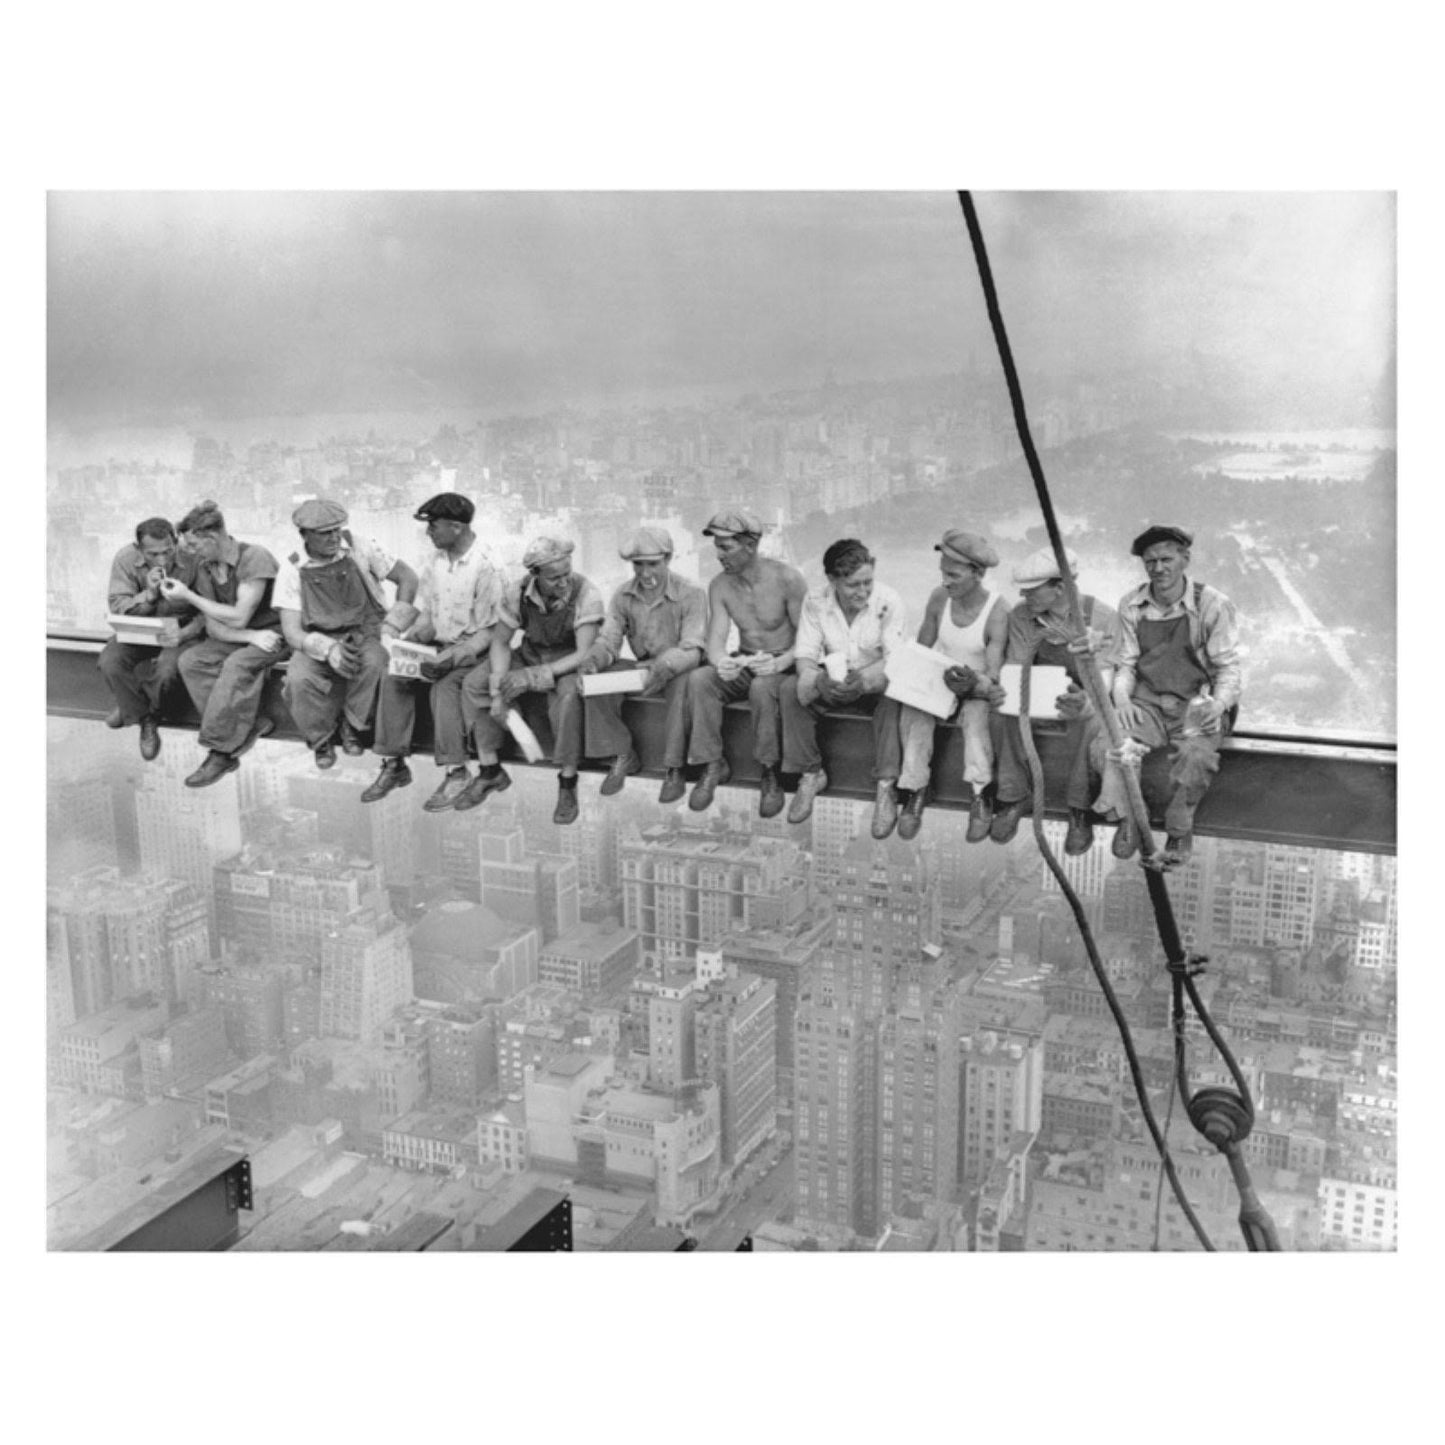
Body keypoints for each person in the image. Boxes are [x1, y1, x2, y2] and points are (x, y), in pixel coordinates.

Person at [1091, 524, 1242, 865]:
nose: (1159, 569)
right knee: (1110, 744)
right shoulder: (1132, 604)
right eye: (1150, 562)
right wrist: (1123, 700)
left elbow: (1228, 668)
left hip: (1197, 704)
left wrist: (1217, 705)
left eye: (1166, 559)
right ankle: (1132, 817)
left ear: (1184, 559)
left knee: (1196, 758)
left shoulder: (1212, 605)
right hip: (1149, 702)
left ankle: (1179, 826)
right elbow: (1126, 664)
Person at [362, 492, 510, 811]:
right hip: (439, 645)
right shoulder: (436, 561)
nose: (429, 533)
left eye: (434, 526)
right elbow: (427, 611)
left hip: (473, 652)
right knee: (395, 675)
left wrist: (454, 656)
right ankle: (394, 762)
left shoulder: (488, 566)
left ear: (456, 527)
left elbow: (492, 631)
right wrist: (408, 638)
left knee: (445, 687)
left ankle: (456, 770)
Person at [988, 547, 1119, 855]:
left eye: (1032, 590)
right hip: (1037, 690)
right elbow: (1017, 664)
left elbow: (1106, 677)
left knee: (1091, 721)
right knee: (1002, 712)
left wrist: (1086, 700)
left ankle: (1079, 809)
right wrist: (1006, 689)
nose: (1023, 595)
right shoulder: (1022, 615)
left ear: (1060, 588)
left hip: (1085, 693)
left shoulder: (1101, 617)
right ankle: (1013, 795)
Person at [467, 534, 604, 825]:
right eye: (555, 578)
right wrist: (498, 690)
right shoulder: (517, 592)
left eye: (567, 574)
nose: (564, 582)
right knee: (476, 683)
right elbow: (501, 643)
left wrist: (531, 678)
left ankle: (567, 780)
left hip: (567, 662)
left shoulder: (586, 593)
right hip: (531, 652)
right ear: (535, 575)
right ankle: (491, 767)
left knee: (568, 698)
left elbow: (583, 652)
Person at [275, 498, 419, 770]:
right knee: (298, 679)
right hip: (317, 637)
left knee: (375, 664)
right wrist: (328, 649)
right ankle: (320, 740)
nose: (333, 538)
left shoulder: (360, 546)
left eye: (336, 530)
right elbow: (292, 631)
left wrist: (392, 626)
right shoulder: (292, 567)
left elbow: (408, 578)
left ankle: (353, 727)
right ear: (304, 535)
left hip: (365, 631)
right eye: (324, 533)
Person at [781, 538, 908, 833]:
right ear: (832, 580)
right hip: (834, 678)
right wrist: (818, 681)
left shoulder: (889, 601)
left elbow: (895, 659)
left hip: (874, 680)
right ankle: (811, 773)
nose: (863, 592)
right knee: (790, 690)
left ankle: (886, 785)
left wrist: (864, 682)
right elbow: (805, 655)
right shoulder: (815, 601)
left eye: (868, 583)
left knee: (894, 697)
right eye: (853, 585)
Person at [687, 510, 807, 816]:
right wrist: (722, 662)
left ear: (750, 546)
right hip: (746, 659)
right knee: (701, 679)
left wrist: (781, 663)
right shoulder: (720, 586)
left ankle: (770, 772)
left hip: (784, 664)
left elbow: (809, 640)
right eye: (717, 547)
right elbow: (716, 640)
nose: (718, 555)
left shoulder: (788, 579)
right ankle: (713, 764)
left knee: (762, 688)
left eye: (726, 548)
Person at [160, 501, 288, 788]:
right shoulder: (206, 568)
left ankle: (221, 751)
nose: (191, 552)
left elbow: (239, 616)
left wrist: (189, 597)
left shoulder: (254, 558)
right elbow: (214, 624)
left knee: (236, 665)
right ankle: (249, 724)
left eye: (194, 545)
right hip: (249, 637)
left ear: (213, 538)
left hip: (276, 633)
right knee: (191, 661)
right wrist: (249, 638)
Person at [576, 526, 707, 805]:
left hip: (678, 666)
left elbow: (693, 648)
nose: (645, 573)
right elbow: (610, 639)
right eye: (638, 565)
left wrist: (665, 666)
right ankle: (621, 752)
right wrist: (593, 661)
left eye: (653, 564)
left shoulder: (691, 593)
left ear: (668, 559)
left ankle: (674, 767)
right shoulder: (623, 595)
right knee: (597, 681)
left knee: (682, 687)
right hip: (643, 668)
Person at [894, 530, 1009, 841]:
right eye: (943, 573)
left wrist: (974, 682)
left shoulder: (997, 611)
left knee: (975, 720)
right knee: (915, 711)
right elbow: (923, 649)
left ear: (978, 574)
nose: (946, 581)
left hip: (975, 687)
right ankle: (916, 788)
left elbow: (995, 673)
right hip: (941, 678)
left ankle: (980, 792)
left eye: (954, 575)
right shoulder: (938, 598)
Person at [99, 516, 205, 760]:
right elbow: (118, 606)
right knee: (110, 662)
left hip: (180, 630)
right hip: (140, 628)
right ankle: (143, 717)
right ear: (138, 549)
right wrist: (148, 595)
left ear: (175, 542)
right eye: (153, 554)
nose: (162, 560)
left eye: (167, 552)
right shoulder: (125, 559)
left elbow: (207, 609)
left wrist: (185, 633)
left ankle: (132, 707)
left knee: (168, 671)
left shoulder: (193, 559)